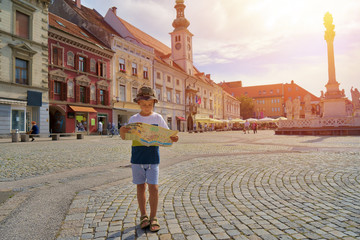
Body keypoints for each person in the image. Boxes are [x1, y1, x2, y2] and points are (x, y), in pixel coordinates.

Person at [120, 86, 178, 232]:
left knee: (154, 187)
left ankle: (153, 217)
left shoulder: (157, 118)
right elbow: (124, 136)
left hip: (153, 158)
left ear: (153, 104)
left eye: (150, 105)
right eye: (144, 104)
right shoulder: (134, 118)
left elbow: (167, 136)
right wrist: (122, 130)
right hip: (137, 158)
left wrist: (173, 137)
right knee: (140, 187)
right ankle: (143, 215)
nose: (147, 107)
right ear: (138, 103)